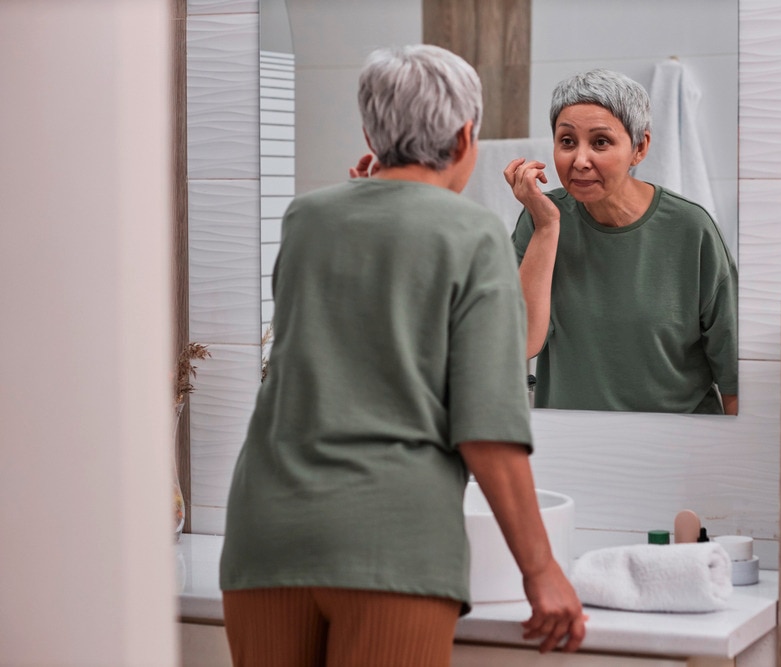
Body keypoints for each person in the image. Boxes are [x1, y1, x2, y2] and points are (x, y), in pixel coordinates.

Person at [219, 44, 586, 666]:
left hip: (266, 539)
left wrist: (363, 194)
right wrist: (541, 569)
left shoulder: (306, 219)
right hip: (392, 545)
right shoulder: (472, 235)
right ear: (467, 135)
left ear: (370, 131)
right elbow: (488, 426)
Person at [505, 68, 738, 415]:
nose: (580, 161)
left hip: (682, 448)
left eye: (600, 142)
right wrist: (547, 227)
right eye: (567, 141)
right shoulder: (542, 220)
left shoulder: (692, 229)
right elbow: (518, 343)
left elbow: (734, 378)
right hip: (574, 443)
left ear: (639, 147)